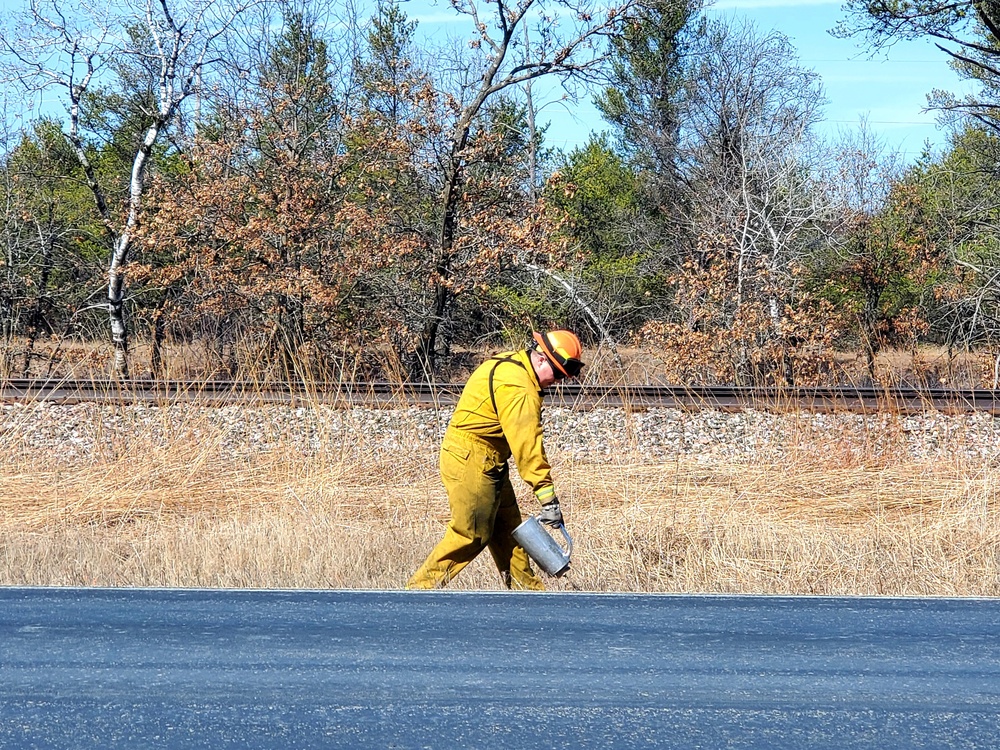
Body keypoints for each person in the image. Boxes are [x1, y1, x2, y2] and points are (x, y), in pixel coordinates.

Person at [406, 329, 585, 590]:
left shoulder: (509, 362)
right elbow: (528, 448)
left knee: (510, 534)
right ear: (542, 358)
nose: (558, 381)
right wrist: (547, 496)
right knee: (471, 534)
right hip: (473, 460)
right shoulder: (520, 389)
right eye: (558, 373)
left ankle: (530, 597)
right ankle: (417, 591)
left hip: (485, 459)